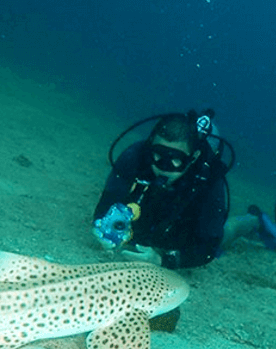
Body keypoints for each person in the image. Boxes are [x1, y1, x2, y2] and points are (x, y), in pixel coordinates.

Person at [92, 110, 261, 269]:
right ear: (150, 147)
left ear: (193, 158)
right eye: (158, 154)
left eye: (176, 160)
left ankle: (253, 220)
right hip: (150, 212)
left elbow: (208, 247)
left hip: (187, 226)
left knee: (227, 231)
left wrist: (162, 260)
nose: (164, 167)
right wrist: (104, 228)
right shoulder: (135, 156)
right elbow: (107, 202)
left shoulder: (208, 178)